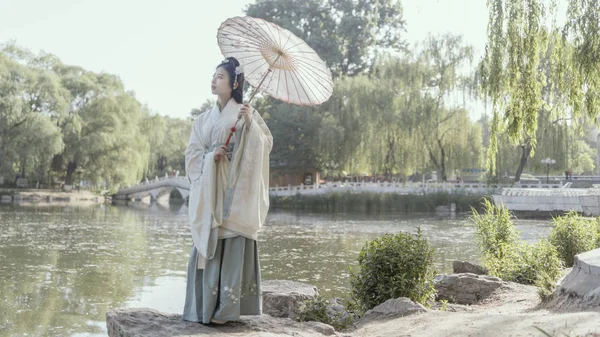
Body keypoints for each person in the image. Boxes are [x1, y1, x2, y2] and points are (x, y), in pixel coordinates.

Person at [183, 57, 273, 325]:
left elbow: (265, 144)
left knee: (231, 235)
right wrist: (212, 155)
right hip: (210, 189)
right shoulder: (202, 119)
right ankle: (203, 308)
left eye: (219, 77)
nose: (213, 80)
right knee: (209, 235)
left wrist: (250, 126)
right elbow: (192, 154)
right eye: (213, 76)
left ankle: (226, 310)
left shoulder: (246, 113)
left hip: (234, 189)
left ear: (234, 83)